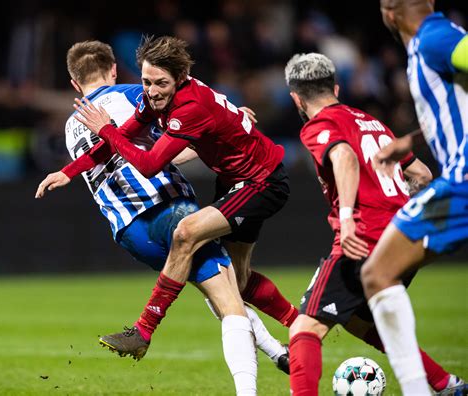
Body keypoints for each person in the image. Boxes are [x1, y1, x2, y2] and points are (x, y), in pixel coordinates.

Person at [35, 40, 288, 396]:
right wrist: (229, 121)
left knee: (217, 288)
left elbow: (117, 148)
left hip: (127, 230)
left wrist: (69, 171)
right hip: (167, 208)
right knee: (228, 295)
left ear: (75, 84)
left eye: (155, 83)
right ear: (114, 71)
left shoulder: (72, 125)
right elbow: (161, 157)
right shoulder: (131, 96)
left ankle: (279, 352)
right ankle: (263, 370)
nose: (150, 90)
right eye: (146, 82)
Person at [284, 52, 464, 395]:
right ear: (335, 87)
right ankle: (446, 384)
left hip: (362, 238)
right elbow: (422, 175)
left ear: (296, 98)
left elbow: (345, 158)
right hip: (402, 239)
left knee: (304, 328)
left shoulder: (319, 125)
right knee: (357, 320)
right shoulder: (371, 121)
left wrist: (350, 217)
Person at [360, 1, 468, 395]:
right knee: (378, 274)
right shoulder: (432, 42)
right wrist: (410, 141)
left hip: (462, 180)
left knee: (376, 273)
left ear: (388, 11)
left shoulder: (435, 39)